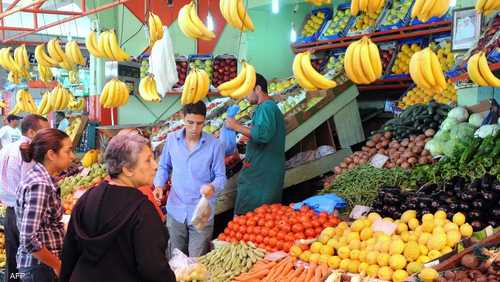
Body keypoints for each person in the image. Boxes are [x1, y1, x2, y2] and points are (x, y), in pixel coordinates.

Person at [60, 134, 175, 282]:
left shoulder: (87, 198)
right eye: (148, 160)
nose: (155, 165)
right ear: (127, 169)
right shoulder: (142, 210)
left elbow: (70, 252)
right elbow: (153, 268)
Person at [154, 101, 226, 258]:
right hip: (175, 210)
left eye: (199, 123)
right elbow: (164, 166)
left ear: (205, 121)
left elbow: (221, 177)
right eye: (190, 122)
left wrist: (212, 187)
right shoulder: (172, 140)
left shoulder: (214, 145)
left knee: (197, 261)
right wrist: (159, 184)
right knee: (175, 259)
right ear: (183, 118)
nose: (194, 128)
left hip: (202, 213)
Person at [16, 128, 75, 281]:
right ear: (51, 155)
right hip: (40, 269)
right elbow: (28, 238)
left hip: (39, 266)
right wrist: (58, 265)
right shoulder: (40, 184)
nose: (72, 156)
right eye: (68, 151)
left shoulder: (39, 177)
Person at [225, 73, 286, 215]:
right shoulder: (265, 108)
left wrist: (235, 126)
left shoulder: (267, 107)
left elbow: (263, 134)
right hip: (262, 174)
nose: (244, 95)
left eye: (247, 90)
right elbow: (264, 132)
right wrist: (248, 134)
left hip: (261, 177)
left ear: (257, 88)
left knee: (252, 221)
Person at [0, 115, 49, 282]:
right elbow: (31, 186)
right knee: (28, 264)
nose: (47, 135)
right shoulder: (27, 151)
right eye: (44, 131)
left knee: (13, 261)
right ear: (31, 131)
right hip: (24, 214)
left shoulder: (6, 149)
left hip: (9, 212)